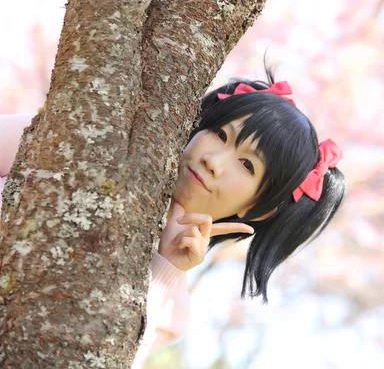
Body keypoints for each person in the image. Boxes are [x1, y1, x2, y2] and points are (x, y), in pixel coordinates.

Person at [0, 70, 346, 367]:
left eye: (247, 164)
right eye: (221, 134)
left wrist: (165, 269)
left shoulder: (173, 306)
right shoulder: (87, 143)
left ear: (259, 208)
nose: (214, 160)